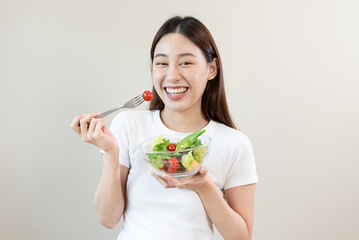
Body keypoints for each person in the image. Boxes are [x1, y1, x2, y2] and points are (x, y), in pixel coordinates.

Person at [70, 16, 258, 240]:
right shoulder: (128, 125)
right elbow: (108, 218)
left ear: (212, 69)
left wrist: (204, 187)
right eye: (162, 63)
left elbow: (241, 237)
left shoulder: (234, 143)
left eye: (185, 63)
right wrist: (111, 153)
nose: (172, 76)